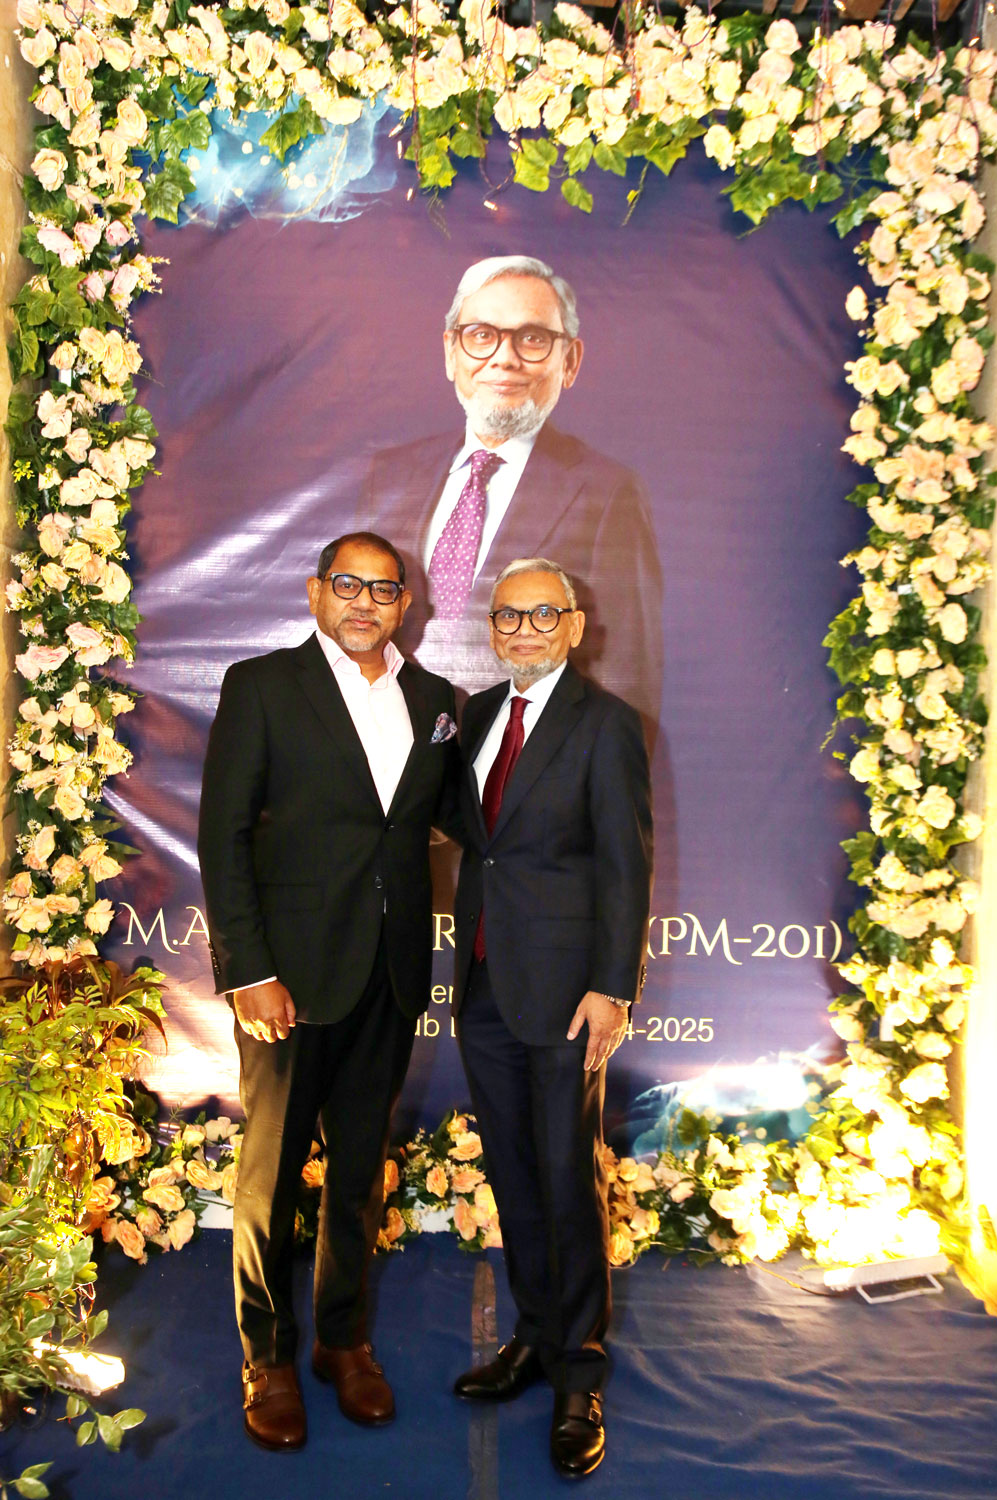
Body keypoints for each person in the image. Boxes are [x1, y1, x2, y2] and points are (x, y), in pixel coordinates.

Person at [197, 531, 460, 1452]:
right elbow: (223, 835)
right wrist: (249, 972)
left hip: (389, 972)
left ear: (405, 606)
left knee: (357, 1172)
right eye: (347, 584)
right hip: (290, 981)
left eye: (383, 591)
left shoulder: (435, 701)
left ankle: (342, 1340)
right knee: (270, 1177)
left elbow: (446, 820)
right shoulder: (262, 685)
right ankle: (266, 1356)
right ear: (316, 593)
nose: (364, 603)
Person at [449, 556, 653, 1478]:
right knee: (516, 1170)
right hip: (486, 983)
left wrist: (612, 986)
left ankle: (579, 1373)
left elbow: (624, 866)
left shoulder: (606, 724)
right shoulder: (479, 717)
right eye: (507, 615)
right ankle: (535, 1336)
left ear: (574, 624)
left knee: (566, 1176)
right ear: (491, 627)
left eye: (542, 614)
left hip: (569, 994)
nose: (523, 630)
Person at [361, 255, 663, 737]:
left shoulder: (610, 493)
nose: (504, 357)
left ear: (570, 361)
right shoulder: (390, 476)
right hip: (389, 757)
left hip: (520, 767)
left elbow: (627, 683)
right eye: (481, 334)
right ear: (450, 352)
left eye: (533, 338)